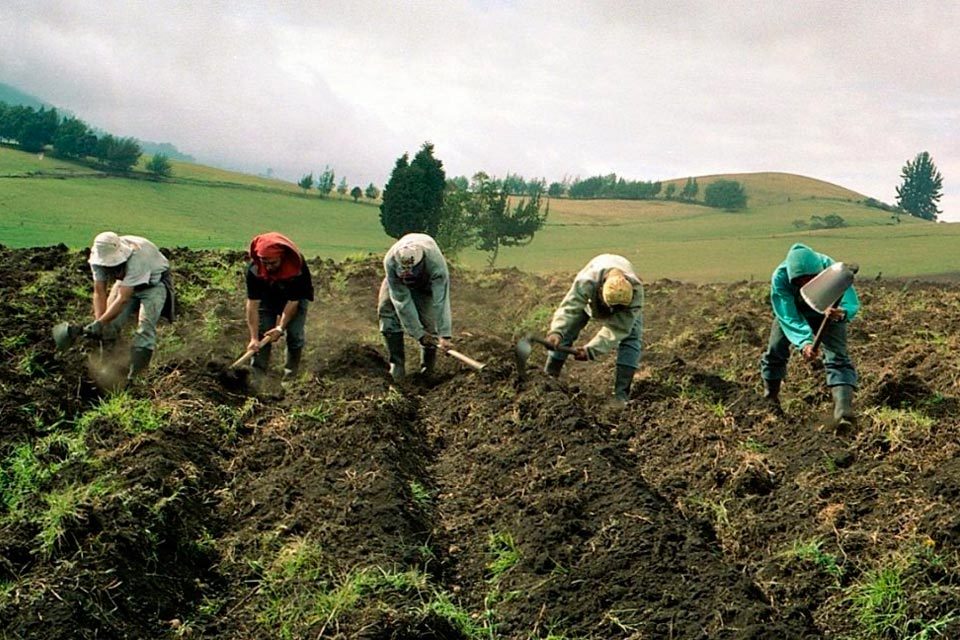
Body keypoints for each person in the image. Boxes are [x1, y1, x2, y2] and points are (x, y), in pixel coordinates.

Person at [760, 243, 859, 424]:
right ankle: (770, 400)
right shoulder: (781, 277)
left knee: (838, 357)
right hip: (796, 313)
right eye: (800, 281)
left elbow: (849, 301)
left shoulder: (832, 269)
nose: (806, 284)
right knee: (775, 351)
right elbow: (788, 315)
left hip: (829, 312)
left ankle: (843, 412)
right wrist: (804, 343)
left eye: (811, 279)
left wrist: (842, 313)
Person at [544, 254, 644, 408]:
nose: (612, 312)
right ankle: (549, 377)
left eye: (616, 309)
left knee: (631, 339)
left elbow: (618, 328)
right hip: (590, 302)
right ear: (601, 289)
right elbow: (569, 308)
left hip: (622, 307)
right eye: (610, 306)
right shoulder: (587, 281)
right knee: (567, 331)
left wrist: (591, 350)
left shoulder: (636, 291)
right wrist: (556, 331)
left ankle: (621, 396)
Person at [84, 231, 175, 381]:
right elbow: (99, 292)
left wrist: (100, 323)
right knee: (110, 325)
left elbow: (123, 299)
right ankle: (107, 366)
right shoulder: (97, 259)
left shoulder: (137, 257)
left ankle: (135, 376)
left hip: (153, 284)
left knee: (145, 327)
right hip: (124, 283)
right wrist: (100, 323)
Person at [379, 233, 452, 381]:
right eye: (405, 270)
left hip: (425, 283)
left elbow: (441, 301)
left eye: (412, 269)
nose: (408, 273)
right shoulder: (391, 261)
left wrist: (444, 334)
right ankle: (397, 365)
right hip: (397, 283)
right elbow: (401, 301)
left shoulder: (436, 266)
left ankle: (427, 370)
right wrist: (418, 334)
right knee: (386, 310)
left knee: (429, 322)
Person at [245, 232, 314, 380]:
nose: (268, 267)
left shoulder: (297, 268)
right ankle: (257, 376)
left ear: (282, 258)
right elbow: (252, 305)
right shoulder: (254, 270)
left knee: (295, 335)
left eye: (273, 263)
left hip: (293, 299)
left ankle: (290, 376)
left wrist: (280, 328)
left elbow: (293, 301)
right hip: (268, 297)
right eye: (265, 263)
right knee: (261, 334)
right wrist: (253, 338)